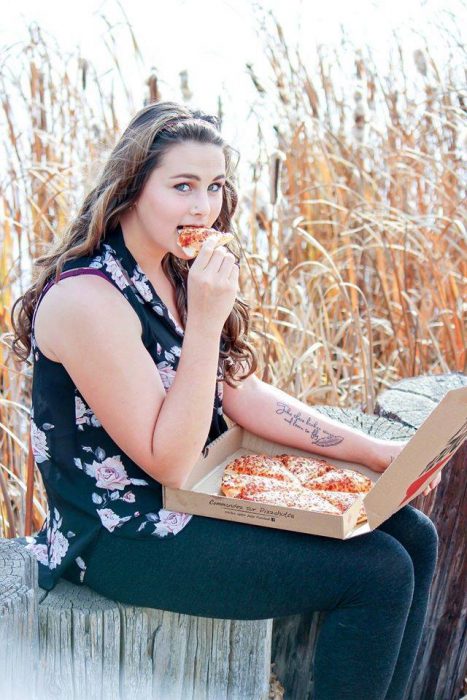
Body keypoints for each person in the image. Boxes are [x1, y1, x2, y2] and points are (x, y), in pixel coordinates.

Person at [11, 101, 440, 699]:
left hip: (191, 504)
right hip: (120, 534)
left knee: (413, 534)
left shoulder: (170, 269)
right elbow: (168, 461)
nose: (201, 207)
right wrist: (208, 321)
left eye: (214, 187)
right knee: (377, 573)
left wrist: (372, 453)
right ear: (132, 188)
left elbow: (239, 392)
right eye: (181, 186)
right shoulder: (87, 299)